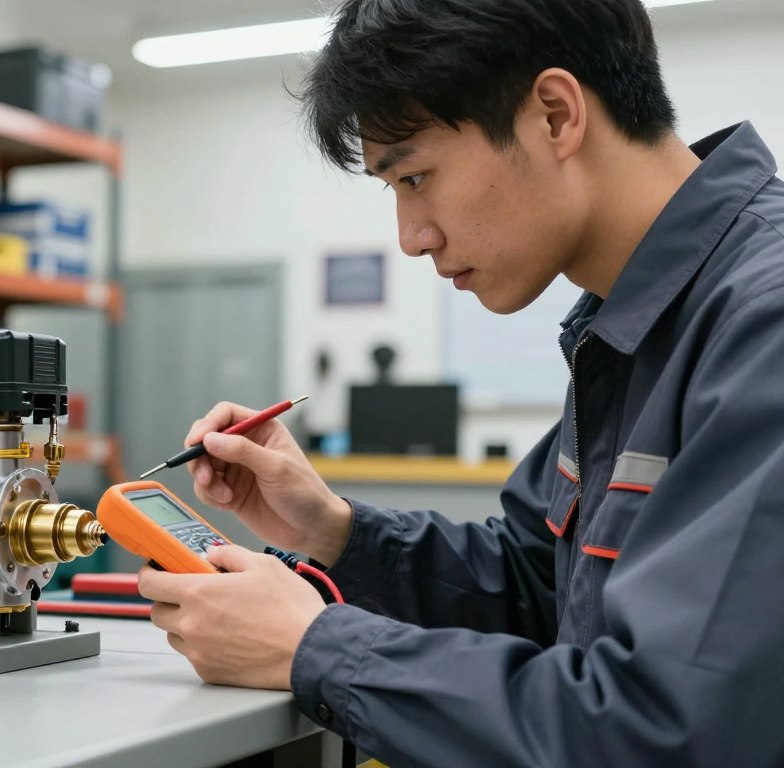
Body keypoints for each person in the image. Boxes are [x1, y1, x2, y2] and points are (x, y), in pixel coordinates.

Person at [136, 0, 784, 764]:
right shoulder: (631, 330)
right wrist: (333, 531)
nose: (412, 238)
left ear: (553, 115)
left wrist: (312, 647)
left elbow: (668, 732)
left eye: (415, 177)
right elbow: (539, 591)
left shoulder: (762, 323)